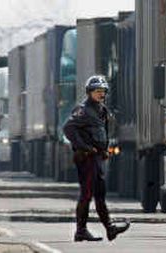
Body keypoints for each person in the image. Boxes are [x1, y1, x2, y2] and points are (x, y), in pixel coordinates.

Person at [63, 75, 130, 242]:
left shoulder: (102, 110)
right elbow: (68, 129)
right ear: (89, 92)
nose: (101, 94)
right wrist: (85, 147)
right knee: (86, 194)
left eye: (103, 91)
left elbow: (102, 133)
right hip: (86, 158)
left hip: (97, 158)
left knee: (100, 193)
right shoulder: (83, 110)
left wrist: (104, 150)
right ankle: (81, 230)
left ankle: (110, 228)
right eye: (97, 91)